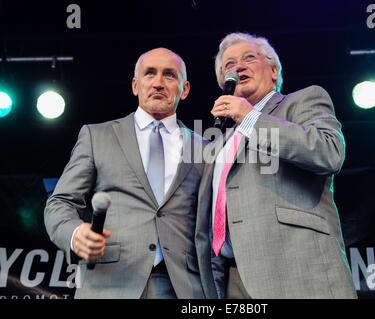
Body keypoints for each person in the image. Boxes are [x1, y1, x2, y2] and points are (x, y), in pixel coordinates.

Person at [195, 33, 357, 298]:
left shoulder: (303, 101)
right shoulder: (215, 143)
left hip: (297, 270)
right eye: (229, 65)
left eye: (249, 58)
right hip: (232, 279)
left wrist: (250, 118)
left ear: (273, 71)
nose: (238, 67)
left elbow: (329, 152)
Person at [45, 48, 206, 299]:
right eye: (149, 73)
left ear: (184, 89)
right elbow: (60, 202)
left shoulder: (206, 148)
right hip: (109, 282)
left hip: (182, 287)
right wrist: (76, 234)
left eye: (169, 75)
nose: (158, 83)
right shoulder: (97, 136)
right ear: (135, 85)